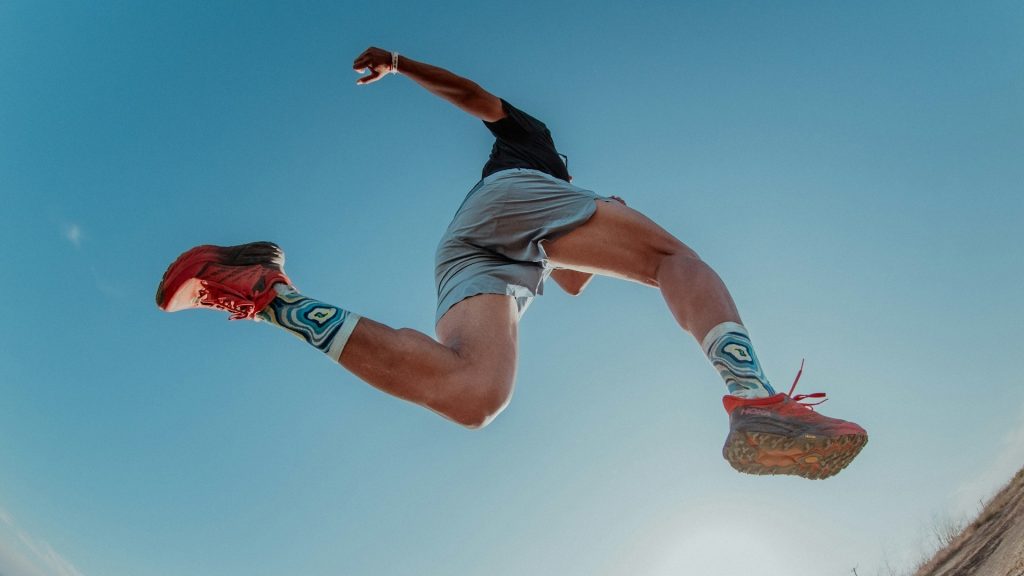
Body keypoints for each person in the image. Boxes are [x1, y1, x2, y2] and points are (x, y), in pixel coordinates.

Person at [156, 46, 867, 479]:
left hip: (481, 255)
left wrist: (603, 225)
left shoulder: (556, 215)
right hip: (507, 210)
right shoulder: (537, 148)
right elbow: (476, 98)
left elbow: (573, 275)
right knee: (671, 257)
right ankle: (752, 393)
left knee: (474, 396)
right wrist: (401, 65)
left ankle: (267, 290)